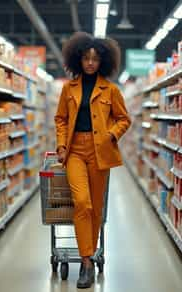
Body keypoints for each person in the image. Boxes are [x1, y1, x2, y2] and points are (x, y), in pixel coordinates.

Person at [54, 32, 131, 289]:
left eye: (95, 59)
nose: (90, 63)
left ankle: (88, 256)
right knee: (83, 203)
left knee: (96, 209)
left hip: (100, 152)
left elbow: (124, 119)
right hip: (75, 151)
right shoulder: (68, 88)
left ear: (102, 62)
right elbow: (61, 119)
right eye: (86, 58)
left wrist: (112, 134)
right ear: (78, 59)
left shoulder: (111, 90)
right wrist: (62, 145)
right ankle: (86, 261)